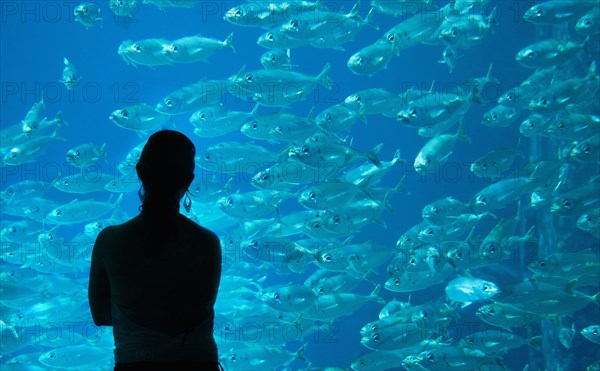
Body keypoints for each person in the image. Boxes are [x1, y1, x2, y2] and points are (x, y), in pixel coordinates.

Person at [88, 130, 222, 371]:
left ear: (139, 171)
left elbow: (101, 316)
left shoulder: (110, 241)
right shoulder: (207, 242)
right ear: (189, 180)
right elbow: (198, 308)